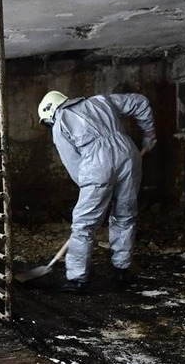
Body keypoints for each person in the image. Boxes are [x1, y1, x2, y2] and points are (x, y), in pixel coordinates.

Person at [36, 90, 156, 293]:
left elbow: (74, 165)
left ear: (50, 113)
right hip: (128, 153)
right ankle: (122, 269)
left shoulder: (60, 123)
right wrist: (149, 135)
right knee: (125, 215)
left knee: (84, 224)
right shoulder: (100, 101)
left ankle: (77, 279)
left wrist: (96, 191)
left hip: (97, 165)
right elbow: (140, 101)